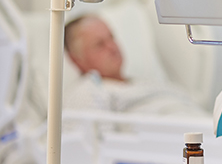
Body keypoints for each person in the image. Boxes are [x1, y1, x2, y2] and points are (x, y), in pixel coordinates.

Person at [63, 14, 206, 117]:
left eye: (111, 37)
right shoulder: (89, 92)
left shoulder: (144, 83)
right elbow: (93, 146)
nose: (112, 47)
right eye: (99, 44)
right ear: (77, 60)